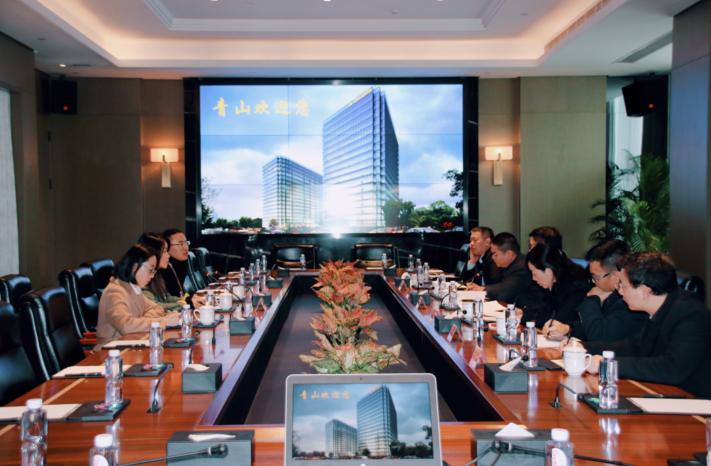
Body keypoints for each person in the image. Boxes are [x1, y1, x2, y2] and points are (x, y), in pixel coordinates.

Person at [569, 252, 711, 399]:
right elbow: (636, 347)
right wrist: (582, 347)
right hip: (665, 394)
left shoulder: (692, 315)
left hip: (696, 403)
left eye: (623, 286)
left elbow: (672, 368)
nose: (620, 291)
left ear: (644, 291)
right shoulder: (661, 308)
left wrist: (608, 365)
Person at [543, 239, 647, 341]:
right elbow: (597, 324)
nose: (593, 281)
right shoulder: (610, 295)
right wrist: (569, 328)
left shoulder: (630, 302)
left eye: (596, 277)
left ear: (616, 276)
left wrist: (592, 299)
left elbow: (600, 335)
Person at [96, 244, 180, 347]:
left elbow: (157, 308)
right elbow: (125, 326)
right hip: (112, 351)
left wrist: (141, 321)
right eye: (150, 270)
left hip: (132, 344)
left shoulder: (133, 288)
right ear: (135, 267)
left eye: (154, 271)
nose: (152, 276)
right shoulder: (115, 292)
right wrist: (163, 322)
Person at [467, 233, 544, 308]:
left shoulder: (521, 267)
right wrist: (481, 288)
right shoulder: (515, 263)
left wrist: (483, 289)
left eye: (495, 254)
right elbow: (503, 285)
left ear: (509, 254)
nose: (493, 257)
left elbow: (504, 292)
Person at [522, 244, 590, 328]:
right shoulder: (555, 282)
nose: (533, 278)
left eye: (535, 273)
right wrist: (522, 311)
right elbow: (546, 308)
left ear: (549, 272)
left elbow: (559, 320)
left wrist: (524, 318)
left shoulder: (576, 288)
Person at [138, 232, 205, 312]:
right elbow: (152, 306)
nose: (168, 255)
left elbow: (167, 298)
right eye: (165, 251)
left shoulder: (157, 275)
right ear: (153, 253)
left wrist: (188, 300)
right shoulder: (142, 277)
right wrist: (186, 304)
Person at [162, 228, 193, 299]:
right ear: (167, 248)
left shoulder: (181, 264)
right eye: (180, 244)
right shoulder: (163, 269)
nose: (186, 248)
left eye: (186, 243)